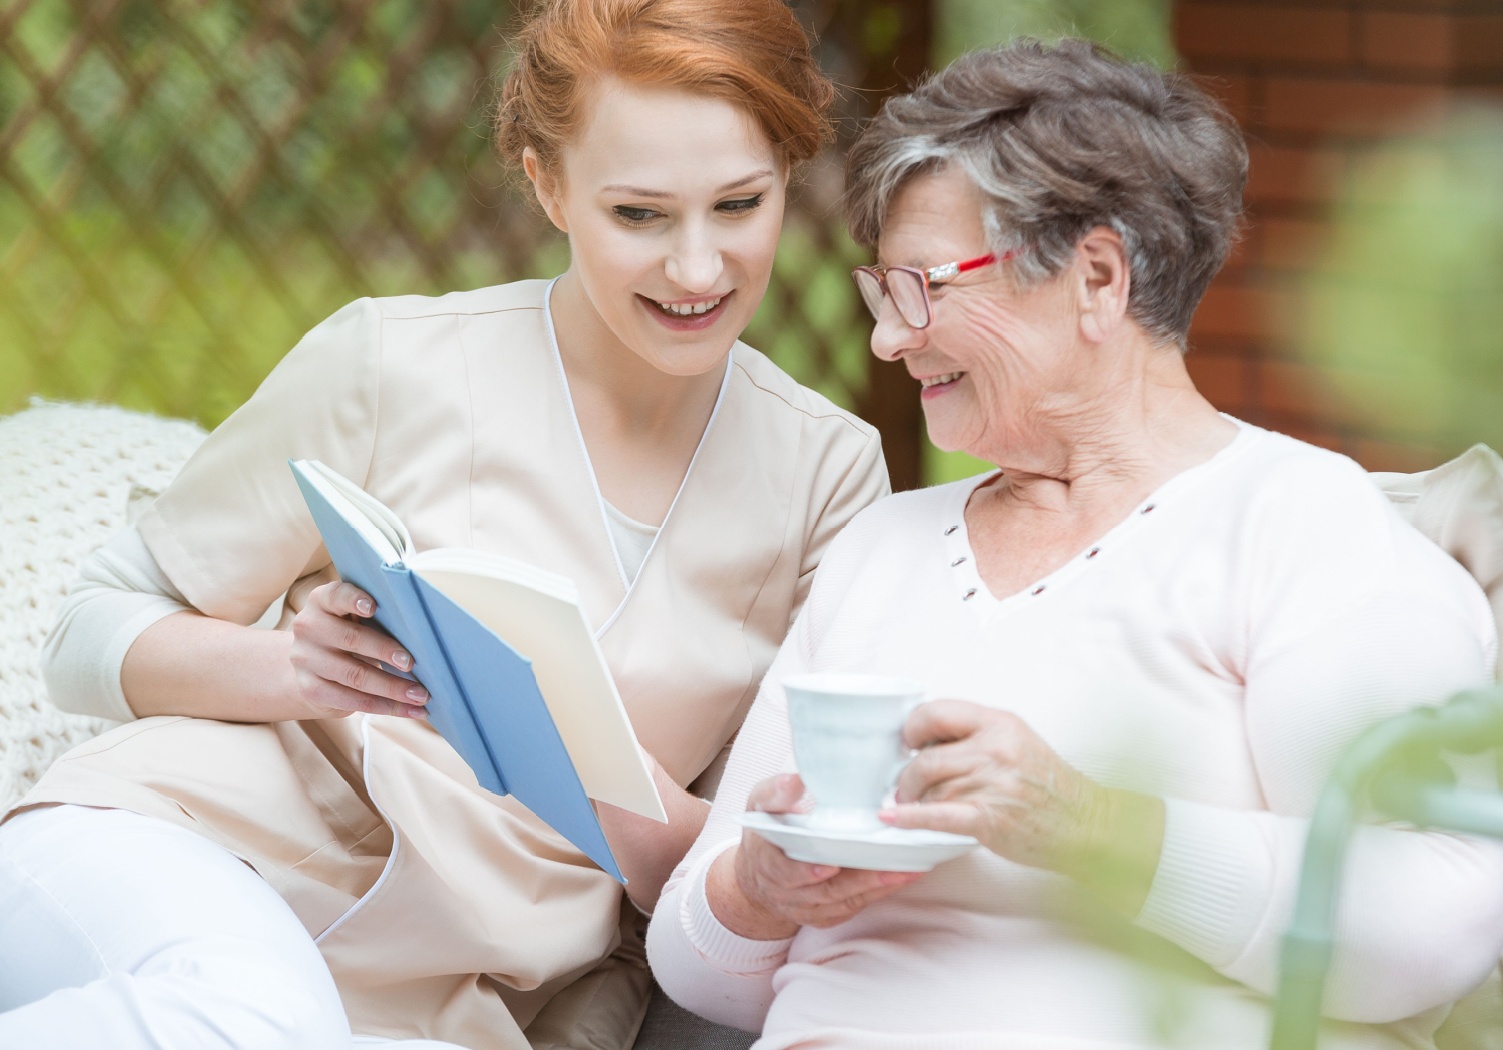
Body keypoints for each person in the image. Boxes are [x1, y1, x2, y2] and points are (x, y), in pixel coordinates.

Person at [0, 1, 888, 1047]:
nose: (697, 270)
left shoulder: (828, 476)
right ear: (546, 184)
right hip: (184, 852)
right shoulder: (390, 363)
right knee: (251, 1016)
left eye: (738, 205)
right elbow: (86, 631)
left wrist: (601, 779)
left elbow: (758, 868)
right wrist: (295, 671)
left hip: (453, 997)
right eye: (639, 215)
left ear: (791, 176)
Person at [647, 39, 1503, 1050]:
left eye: (922, 288)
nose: (889, 340)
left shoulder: (1297, 526)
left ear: (1096, 277)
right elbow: (696, 970)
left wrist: (1094, 829)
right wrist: (758, 890)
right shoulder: (881, 547)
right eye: (883, 295)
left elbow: (1435, 925)